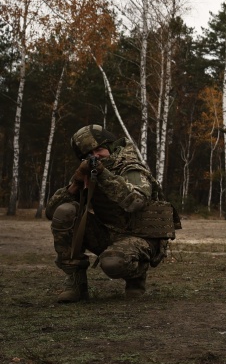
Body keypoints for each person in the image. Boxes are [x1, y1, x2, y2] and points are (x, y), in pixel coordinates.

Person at [46, 125, 178, 302]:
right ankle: (76, 284)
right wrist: (75, 185)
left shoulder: (131, 168)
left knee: (113, 263)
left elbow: (136, 202)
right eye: (89, 153)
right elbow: (51, 213)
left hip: (142, 236)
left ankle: (136, 277)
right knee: (66, 212)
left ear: (110, 146)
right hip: (109, 233)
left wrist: (103, 175)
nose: (96, 155)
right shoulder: (89, 172)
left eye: (99, 149)